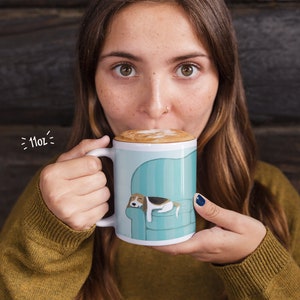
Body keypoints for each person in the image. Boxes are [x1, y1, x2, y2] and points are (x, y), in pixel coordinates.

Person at [1, 0, 299, 299]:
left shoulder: (271, 196)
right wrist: (50, 237)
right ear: (93, 84)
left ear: (221, 82)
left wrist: (257, 265)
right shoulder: (57, 195)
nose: (155, 107)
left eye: (187, 68)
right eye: (125, 68)